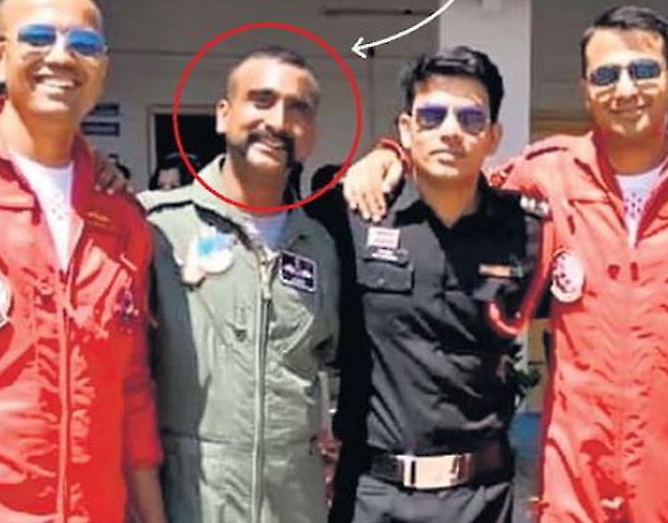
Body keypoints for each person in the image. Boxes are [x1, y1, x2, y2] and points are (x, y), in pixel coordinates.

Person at [343, 5, 668, 522]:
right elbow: (455, 182)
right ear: (585, 90)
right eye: (606, 75)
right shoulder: (548, 177)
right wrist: (392, 156)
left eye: (644, 69)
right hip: (577, 491)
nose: (625, 88)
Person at [0, 0, 165, 521]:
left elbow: (131, 391)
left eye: (84, 45)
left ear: (102, 69)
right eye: (38, 38)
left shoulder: (122, 221)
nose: (62, 57)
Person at [324, 46, 547, 523]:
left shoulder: (527, 232)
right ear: (406, 130)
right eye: (431, 116)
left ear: (493, 137)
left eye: (471, 118)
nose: (450, 130)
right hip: (374, 498)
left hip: (483, 500)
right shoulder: (355, 218)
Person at [140, 46, 340, 523]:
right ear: (223, 114)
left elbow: (333, 365)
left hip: (293, 505)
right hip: (187, 501)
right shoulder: (156, 227)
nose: (278, 121)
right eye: (261, 100)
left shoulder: (320, 246)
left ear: (310, 133)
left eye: (297, 109)